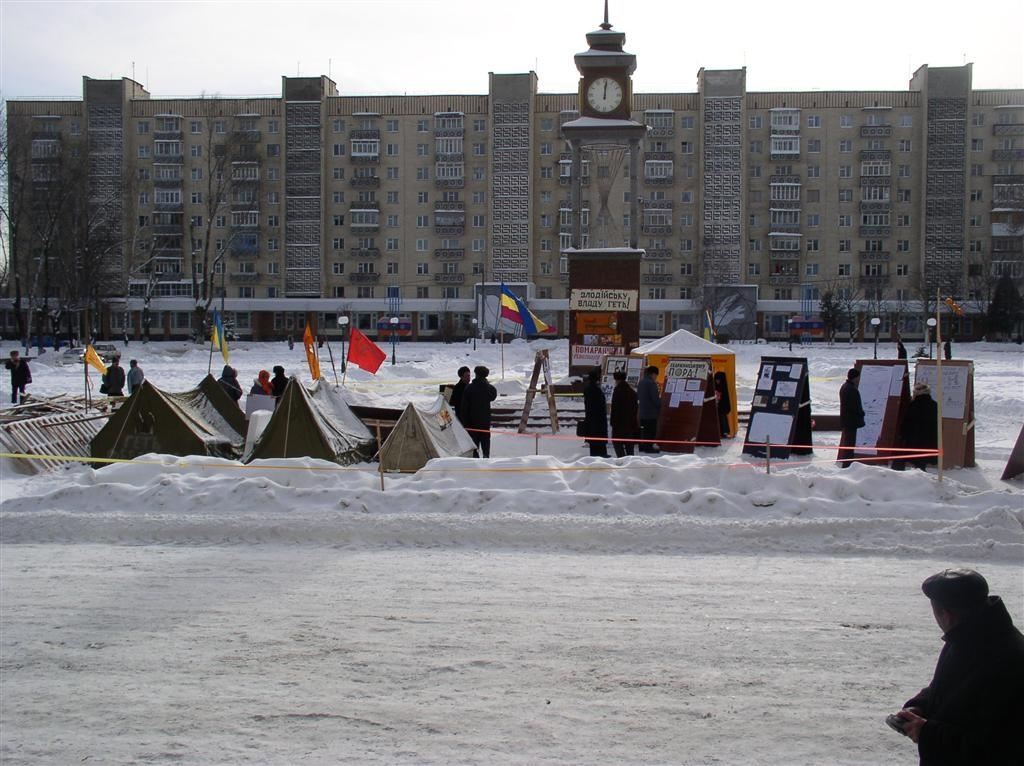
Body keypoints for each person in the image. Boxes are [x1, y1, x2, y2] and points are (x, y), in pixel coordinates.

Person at [891, 569, 1024, 765]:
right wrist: (920, 705)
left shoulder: (1007, 660)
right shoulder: (971, 636)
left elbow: (997, 746)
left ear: (946, 615)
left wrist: (926, 732)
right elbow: (947, 686)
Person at [897, 382, 939, 470]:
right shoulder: (934, 405)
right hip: (928, 437)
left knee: (903, 456)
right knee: (922, 459)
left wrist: (902, 433)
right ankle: (921, 475)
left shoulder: (914, 404)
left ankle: (899, 474)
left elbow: (908, 421)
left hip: (914, 436)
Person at [460, 365, 497, 458]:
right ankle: (486, 463)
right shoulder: (489, 388)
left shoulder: (469, 388)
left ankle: (475, 466)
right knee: (485, 449)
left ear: (476, 374)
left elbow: (464, 408)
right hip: (485, 423)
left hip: (472, 424)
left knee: (474, 450)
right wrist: (487, 384)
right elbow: (493, 396)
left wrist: (465, 423)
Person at [837, 367, 865, 468]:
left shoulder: (844, 387)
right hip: (851, 421)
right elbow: (855, 406)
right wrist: (862, 413)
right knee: (850, 444)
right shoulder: (852, 390)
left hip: (846, 420)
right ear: (855, 377)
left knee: (848, 442)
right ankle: (847, 464)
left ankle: (847, 463)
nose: (859, 379)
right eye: (858, 377)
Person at [581, 367, 610, 458]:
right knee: (599, 437)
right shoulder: (596, 390)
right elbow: (600, 404)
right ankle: (601, 454)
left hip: (591, 417)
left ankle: (596, 454)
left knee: (594, 439)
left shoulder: (588, 389)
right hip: (598, 418)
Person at [609, 369, 638, 458]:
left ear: (617, 380)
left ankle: (622, 459)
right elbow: (635, 408)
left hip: (619, 423)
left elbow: (615, 408)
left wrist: (612, 422)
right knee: (629, 444)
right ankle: (630, 460)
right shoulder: (632, 391)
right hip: (630, 423)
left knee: (617, 443)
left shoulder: (617, 391)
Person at [637, 365, 661, 453]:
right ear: (653, 374)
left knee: (643, 430)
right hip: (651, 412)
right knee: (651, 431)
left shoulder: (641, 382)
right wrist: (660, 404)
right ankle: (649, 447)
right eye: (656, 375)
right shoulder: (651, 384)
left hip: (643, 411)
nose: (656, 377)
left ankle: (642, 446)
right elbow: (655, 399)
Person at [714, 370, 732, 439]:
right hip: (717, 406)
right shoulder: (716, 386)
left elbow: (726, 398)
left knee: (723, 418)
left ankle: (724, 432)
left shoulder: (724, 387)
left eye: (718, 380)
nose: (717, 381)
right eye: (716, 380)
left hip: (722, 406)